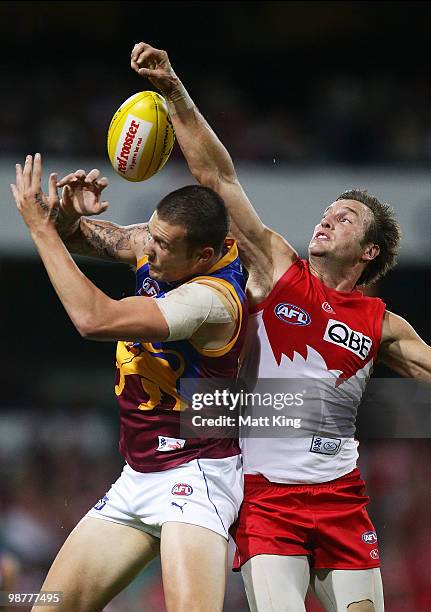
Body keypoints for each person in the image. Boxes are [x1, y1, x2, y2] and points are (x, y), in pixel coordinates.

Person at [129, 42, 431, 612]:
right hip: (268, 498)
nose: (327, 218)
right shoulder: (278, 270)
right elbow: (218, 178)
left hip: (343, 498)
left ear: (368, 250)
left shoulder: (383, 324)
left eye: (345, 218)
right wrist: (173, 91)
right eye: (328, 210)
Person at [10, 154, 248, 612]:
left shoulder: (211, 300)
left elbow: (93, 319)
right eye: (151, 234)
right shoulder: (165, 247)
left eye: (161, 244)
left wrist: (39, 228)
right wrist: (66, 216)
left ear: (203, 256)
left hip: (195, 477)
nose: (147, 246)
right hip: (139, 475)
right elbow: (90, 239)